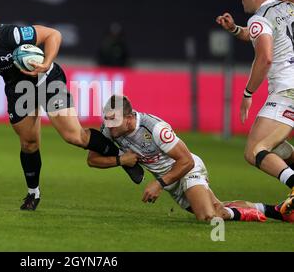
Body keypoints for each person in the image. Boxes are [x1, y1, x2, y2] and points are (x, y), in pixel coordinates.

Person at [0, 6, 140, 211]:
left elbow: (53, 35)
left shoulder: (11, 35)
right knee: (29, 144)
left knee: (74, 136)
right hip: (18, 89)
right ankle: (33, 193)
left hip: (47, 79)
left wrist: (47, 62)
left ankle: (123, 159)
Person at [87, 95, 294, 223]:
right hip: (172, 186)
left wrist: (158, 184)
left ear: (130, 118)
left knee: (207, 215)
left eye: (114, 121)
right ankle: (275, 211)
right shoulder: (110, 130)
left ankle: (246, 215)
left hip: (187, 170)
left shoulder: (155, 128)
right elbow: (92, 160)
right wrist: (120, 161)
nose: (109, 126)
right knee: (218, 207)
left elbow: (185, 160)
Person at [215, 0, 294, 170]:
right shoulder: (287, 8)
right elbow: (255, 33)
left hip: (286, 90)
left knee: (255, 150)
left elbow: (265, 58)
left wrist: (247, 93)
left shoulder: (260, 17)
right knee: (275, 147)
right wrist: (234, 28)